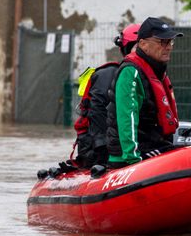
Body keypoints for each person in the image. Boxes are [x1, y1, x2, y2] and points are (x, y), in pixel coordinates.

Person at [106, 17, 183, 167]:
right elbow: (127, 118)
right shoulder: (130, 72)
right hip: (131, 156)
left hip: (153, 146)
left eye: (170, 42)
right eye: (163, 42)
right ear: (143, 44)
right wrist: (134, 159)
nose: (169, 47)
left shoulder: (158, 72)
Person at [71, 23, 139, 168]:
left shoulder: (149, 77)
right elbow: (98, 114)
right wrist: (102, 149)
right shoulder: (109, 74)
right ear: (127, 49)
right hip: (99, 151)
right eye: (137, 47)